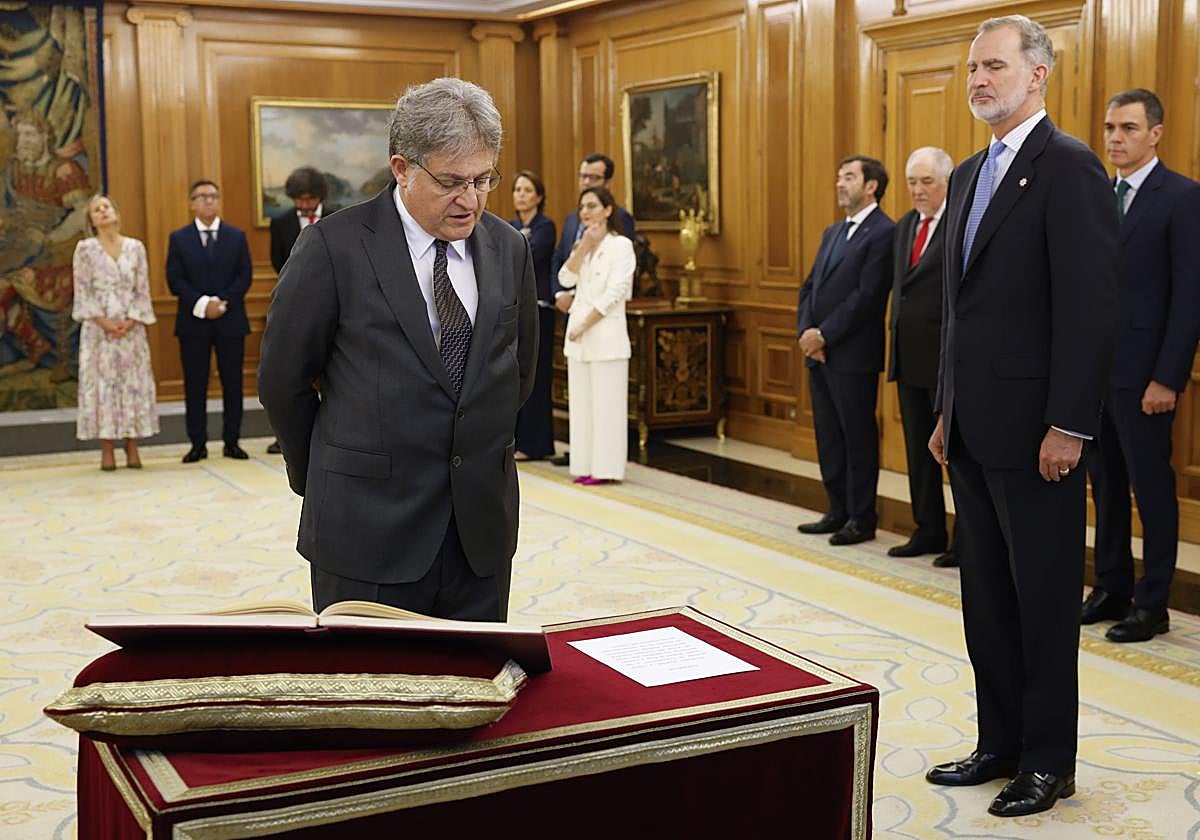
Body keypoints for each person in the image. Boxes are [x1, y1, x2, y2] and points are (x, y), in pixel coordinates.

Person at [924, 15, 1118, 818]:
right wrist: (944, 410)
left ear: (1037, 75)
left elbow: (1091, 307)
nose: (979, 79)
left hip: (1040, 435)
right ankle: (998, 741)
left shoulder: (1069, 168)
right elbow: (955, 309)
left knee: (1040, 604)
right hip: (971, 429)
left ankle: (1048, 760)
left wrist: (1070, 423)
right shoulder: (968, 173)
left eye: (994, 66)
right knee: (988, 602)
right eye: (973, 68)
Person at [258, 77, 538, 621]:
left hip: (478, 531)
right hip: (366, 530)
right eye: (452, 181)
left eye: (483, 180)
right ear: (402, 167)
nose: (471, 199)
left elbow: (518, 371)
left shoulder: (508, 248)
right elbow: (283, 382)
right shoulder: (333, 247)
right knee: (369, 695)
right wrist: (316, 475)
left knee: (471, 693)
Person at [1083, 88, 1200, 642]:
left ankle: (1152, 603)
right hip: (1094, 377)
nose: (1115, 138)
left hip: (1146, 377)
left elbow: (1189, 297)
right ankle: (1111, 587)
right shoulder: (1097, 196)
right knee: (1104, 487)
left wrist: (1167, 378)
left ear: (1155, 133)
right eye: (1110, 128)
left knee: (1151, 491)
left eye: (1128, 128)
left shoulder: (1181, 197)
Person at [795, 156, 895, 546]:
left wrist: (825, 335)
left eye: (848, 177)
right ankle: (836, 509)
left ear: (871, 186)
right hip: (818, 353)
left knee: (857, 438)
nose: (840, 183)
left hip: (853, 354)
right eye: (839, 176)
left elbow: (868, 297)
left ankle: (861, 517)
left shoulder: (884, 232)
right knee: (829, 435)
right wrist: (807, 332)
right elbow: (808, 287)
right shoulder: (832, 231)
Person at [887, 147, 961, 567]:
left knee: (954, 456)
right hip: (908, 357)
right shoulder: (904, 227)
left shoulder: (959, 224)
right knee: (918, 450)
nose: (917, 190)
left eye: (926, 182)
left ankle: (963, 541)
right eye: (912, 182)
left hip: (945, 361)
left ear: (947, 183)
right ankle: (927, 528)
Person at [548, 153, 635, 466]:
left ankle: (606, 468)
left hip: (604, 334)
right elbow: (564, 277)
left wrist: (583, 324)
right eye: (583, 207)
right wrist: (583, 247)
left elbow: (615, 293)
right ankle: (583, 465)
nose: (585, 212)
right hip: (578, 337)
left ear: (608, 209)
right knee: (582, 408)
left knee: (607, 407)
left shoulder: (620, 245)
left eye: (593, 206)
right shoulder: (582, 243)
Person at [166, 180, 252, 464]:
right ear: (192, 203)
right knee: (195, 384)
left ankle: (232, 441)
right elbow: (175, 280)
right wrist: (204, 305)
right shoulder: (179, 238)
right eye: (202, 197)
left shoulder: (236, 237)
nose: (208, 202)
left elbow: (244, 276)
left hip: (231, 321)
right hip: (194, 324)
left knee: (233, 383)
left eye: (213, 196)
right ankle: (197, 443)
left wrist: (222, 302)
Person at [71, 194, 158, 469]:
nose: (103, 212)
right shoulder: (85, 249)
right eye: (96, 210)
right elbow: (82, 290)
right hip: (99, 332)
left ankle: (133, 447)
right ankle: (106, 450)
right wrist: (105, 322)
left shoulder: (135, 247)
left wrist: (131, 320)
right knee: (102, 387)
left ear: (116, 213)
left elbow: (142, 289)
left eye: (106, 207)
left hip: (131, 331)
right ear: (92, 221)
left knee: (132, 386)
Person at [265, 166, 338, 455]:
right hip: (295, 308)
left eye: (309, 198)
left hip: (335, 303)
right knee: (292, 369)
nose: (305, 204)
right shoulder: (280, 223)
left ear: (319, 195)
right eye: (300, 199)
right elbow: (277, 262)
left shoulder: (339, 217)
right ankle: (287, 435)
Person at [509, 169, 557, 461]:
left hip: (540, 309)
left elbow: (527, 256)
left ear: (539, 196)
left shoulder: (546, 226)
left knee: (537, 377)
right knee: (516, 375)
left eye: (528, 190)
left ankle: (536, 444)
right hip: (516, 309)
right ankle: (516, 439)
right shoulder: (511, 225)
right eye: (517, 190)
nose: (522, 195)